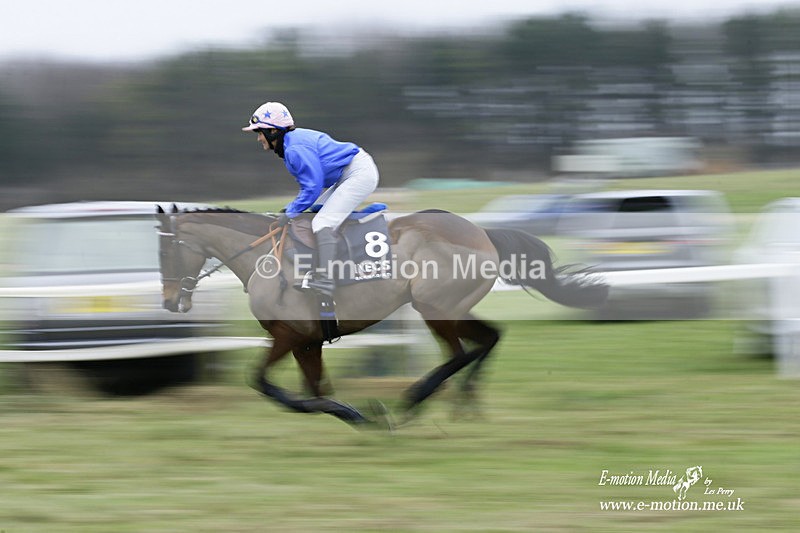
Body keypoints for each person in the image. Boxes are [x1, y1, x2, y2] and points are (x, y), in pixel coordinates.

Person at [242, 101, 380, 297]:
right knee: (316, 213)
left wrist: (289, 211)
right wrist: (292, 210)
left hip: (358, 173)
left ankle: (325, 279)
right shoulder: (291, 144)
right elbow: (312, 187)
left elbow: (313, 187)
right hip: (348, 173)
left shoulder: (294, 149)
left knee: (323, 221)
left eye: (259, 132)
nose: (258, 138)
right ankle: (360, 218)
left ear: (273, 131)